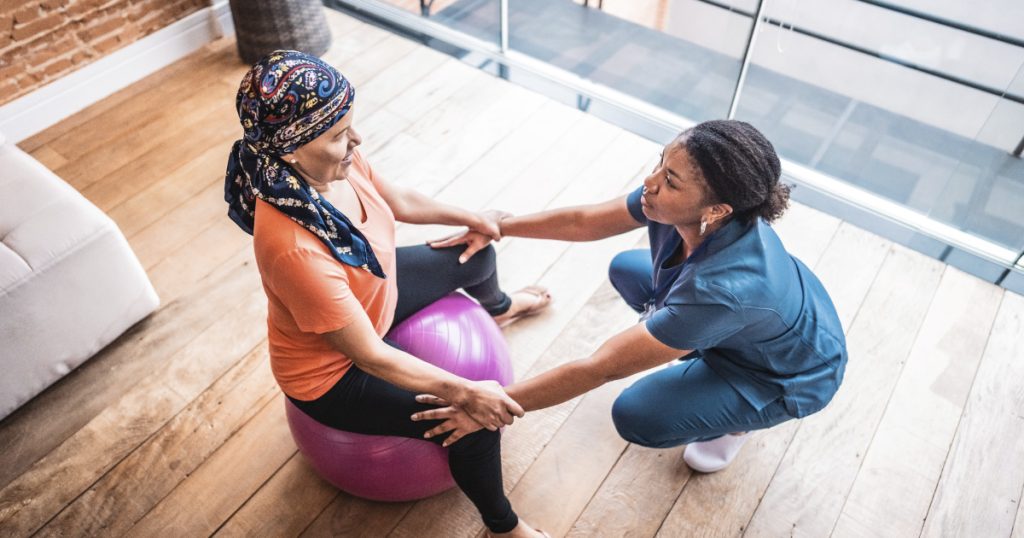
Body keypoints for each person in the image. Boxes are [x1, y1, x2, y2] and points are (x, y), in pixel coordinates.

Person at [223, 50, 550, 537]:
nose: (355, 140)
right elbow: (370, 356)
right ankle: (503, 526)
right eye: (339, 135)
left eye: (350, 126)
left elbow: (398, 201)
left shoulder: (336, 160)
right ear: (291, 149)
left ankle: (498, 310)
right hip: (334, 373)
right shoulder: (292, 246)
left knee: (475, 253)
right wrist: (465, 389)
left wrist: (469, 216)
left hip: (376, 296)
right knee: (471, 420)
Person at [416, 120, 847, 473]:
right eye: (660, 163)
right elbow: (585, 222)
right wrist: (499, 224)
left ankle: (735, 422)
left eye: (670, 180)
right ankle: (696, 348)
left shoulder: (722, 290)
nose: (651, 181)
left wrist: (491, 406)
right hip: (744, 322)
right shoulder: (672, 204)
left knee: (636, 415)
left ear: (715, 211)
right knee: (627, 267)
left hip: (781, 374)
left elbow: (599, 367)